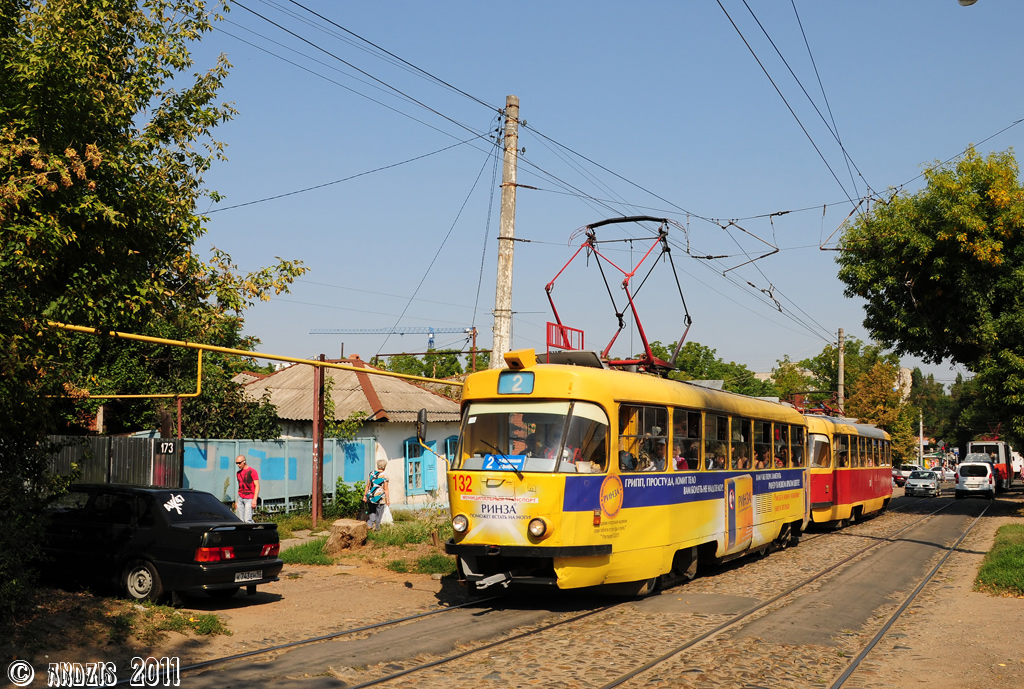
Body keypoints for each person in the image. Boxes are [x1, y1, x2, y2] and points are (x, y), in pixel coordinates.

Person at [363, 458, 390, 531]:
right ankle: (377, 528)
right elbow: (386, 488)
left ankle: (369, 524)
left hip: (371, 496)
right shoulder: (384, 476)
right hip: (379, 497)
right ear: (384, 466)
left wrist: (365, 495)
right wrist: (387, 499)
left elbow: (368, 485)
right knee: (379, 513)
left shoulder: (371, 473)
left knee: (372, 511)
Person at [233, 454, 260, 523]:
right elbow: (240, 487)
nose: (238, 465)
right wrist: (237, 500)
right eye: (237, 463)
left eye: (239, 463)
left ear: (244, 462)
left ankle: (255, 531)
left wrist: (254, 499)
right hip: (241, 497)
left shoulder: (252, 471)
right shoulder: (238, 473)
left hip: (250, 498)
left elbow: (257, 485)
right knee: (240, 520)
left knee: (248, 520)